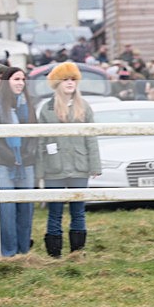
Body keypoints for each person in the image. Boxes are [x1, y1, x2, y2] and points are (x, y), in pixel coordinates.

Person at [36, 62, 101, 257]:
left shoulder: (85, 107)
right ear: (57, 83)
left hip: (79, 167)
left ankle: (77, 252)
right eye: (65, 79)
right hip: (54, 168)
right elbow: (41, 141)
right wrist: (40, 172)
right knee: (54, 211)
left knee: (78, 211)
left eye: (73, 79)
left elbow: (91, 137)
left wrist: (94, 165)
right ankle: (54, 253)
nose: (70, 83)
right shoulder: (46, 109)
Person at [0, 67, 39, 256]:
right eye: (16, 79)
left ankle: (24, 251)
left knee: (26, 208)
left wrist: (27, 154)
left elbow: (35, 133)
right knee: (6, 209)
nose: (20, 82)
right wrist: (9, 156)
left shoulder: (29, 104)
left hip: (26, 163)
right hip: (3, 163)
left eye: (23, 79)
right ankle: (8, 252)